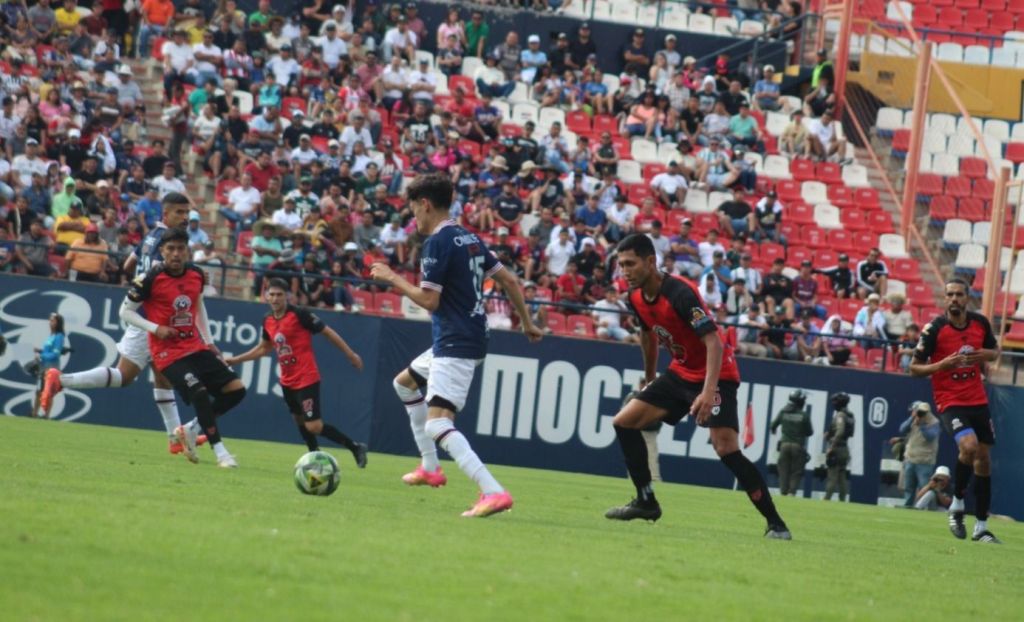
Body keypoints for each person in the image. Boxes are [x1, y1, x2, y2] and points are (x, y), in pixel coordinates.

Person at [370, 174, 544, 518]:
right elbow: (509, 280)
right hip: (470, 334)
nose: (414, 219)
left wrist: (392, 278)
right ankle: (430, 467)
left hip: (456, 340)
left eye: (413, 211)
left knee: (437, 424)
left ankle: (493, 491)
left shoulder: (438, 242)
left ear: (425, 204)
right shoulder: (469, 237)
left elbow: (429, 300)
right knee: (404, 384)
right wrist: (526, 322)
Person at [604, 234, 790, 539]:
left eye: (630, 264)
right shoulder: (634, 297)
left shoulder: (680, 292)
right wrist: (649, 380)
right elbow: (648, 336)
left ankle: (776, 523)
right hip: (680, 371)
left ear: (650, 262)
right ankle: (646, 501)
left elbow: (714, 342)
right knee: (624, 422)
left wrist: (708, 391)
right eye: (621, 264)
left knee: (725, 448)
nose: (625, 271)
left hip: (718, 373)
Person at [41, 193, 206, 456]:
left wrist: (139, 285)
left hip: (150, 315)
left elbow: (129, 265)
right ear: (165, 214)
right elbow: (162, 277)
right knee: (125, 376)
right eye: (179, 212)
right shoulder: (165, 243)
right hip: (154, 318)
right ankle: (60, 380)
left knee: (162, 377)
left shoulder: (151, 237)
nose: (185, 218)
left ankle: (174, 438)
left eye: (187, 213)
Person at [119, 228, 244, 467]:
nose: (176, 253)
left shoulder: (196, 274)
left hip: (195, 346)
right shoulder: (149, 278)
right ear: (163, 251)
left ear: (188, 251)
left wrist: (209, 341)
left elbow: (199, 306)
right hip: (167, 353)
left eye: (180, 248)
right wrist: (155, 328)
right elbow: (125, 312)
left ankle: (190, 429)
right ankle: (221, 453)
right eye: (171, 249)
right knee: (199, 392)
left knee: (236, 390)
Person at [226, 279, 368, 466]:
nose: (275, 299)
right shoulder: (267, 320)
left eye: (279, 295)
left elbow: (328, 332)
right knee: (299, 420)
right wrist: (235, 360)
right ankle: (314, 456)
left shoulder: (300, 314)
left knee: (314, 426)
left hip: (306, 378)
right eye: (272, 294)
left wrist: (350, 354)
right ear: (266, 296)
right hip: (287, 381)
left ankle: (355, 447)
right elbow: (263, 348)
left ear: (287, 296)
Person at [910, 278, 1001, 543]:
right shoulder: (934, 329)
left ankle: (981, 527)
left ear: (967, 297)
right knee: (969, 446)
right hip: (950, 400)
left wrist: (983, 355)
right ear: (945, 298)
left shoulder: (980, 323)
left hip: (977, 399)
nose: (953, 299)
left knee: (983, 460)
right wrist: (942, 365)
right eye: (949, 294)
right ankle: (958, 503)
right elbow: (914, 368)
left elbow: (995, 352)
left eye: (958, 294)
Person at [891, 401, 941, 508]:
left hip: (924, 460)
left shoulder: (934, 422)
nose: (920, 414)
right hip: (910, 458)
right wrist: (911, 418)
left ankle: (926, 508)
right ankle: (908, 505)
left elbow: (930, 437)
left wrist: (922, 425)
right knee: (909, 486)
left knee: (925, 487)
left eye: (922, 412)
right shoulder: (914, 419)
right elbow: (902, 429)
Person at [770, 390, 813, 496]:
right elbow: (810, 432)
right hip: (798, 446)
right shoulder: (804, 415)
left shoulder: (783, 412)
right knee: (796, 471)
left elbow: (772, 425)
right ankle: (791, 492)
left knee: (783, 471)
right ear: (801, 402)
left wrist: (776, 430)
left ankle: (783, 492)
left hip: (784, 445)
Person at [32, 313, 66, 419]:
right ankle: (34, 414)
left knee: (48, 393)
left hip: (52, 369)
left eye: (53, 321)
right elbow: (48, 351)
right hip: (44, 367)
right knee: (39, 391)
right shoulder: (51, 336)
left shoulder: (59, 336)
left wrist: (41, 355)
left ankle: (46, 415)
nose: (50, 323)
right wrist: (40, 351)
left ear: (58, 323)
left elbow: (55, 354)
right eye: (50, 320)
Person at [824, 392, 855, 502]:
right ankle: (842, 500)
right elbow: (849, 433)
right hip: (845, 449)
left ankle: (826, 499)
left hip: (837, 449)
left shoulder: (840, 415)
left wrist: (831, 446)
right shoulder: (850, 416)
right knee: (842, 477)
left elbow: (840, 431)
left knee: (832, 477)